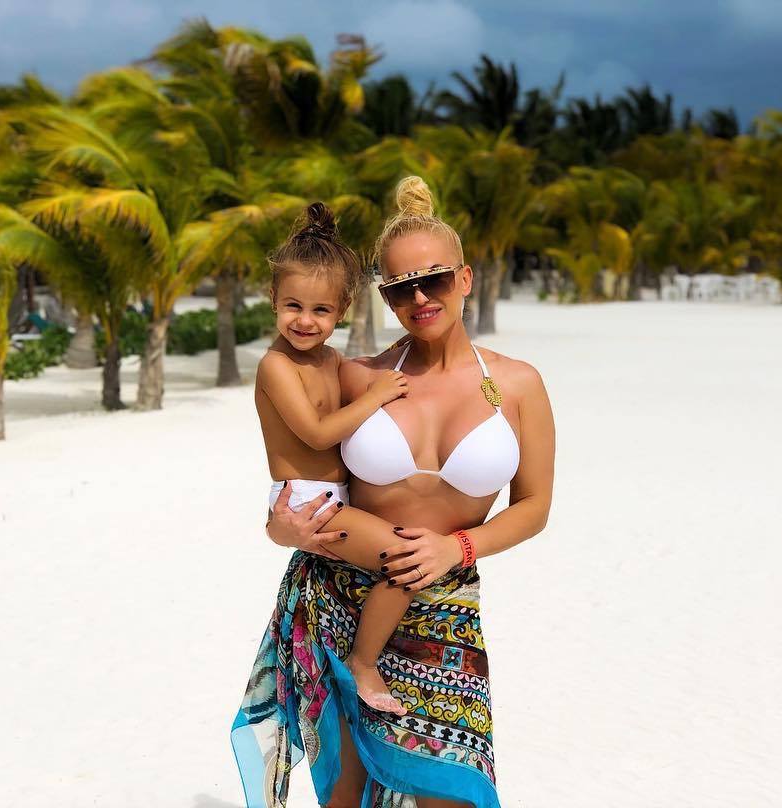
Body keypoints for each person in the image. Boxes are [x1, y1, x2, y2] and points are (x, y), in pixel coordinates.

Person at [232, 177, 555, 808]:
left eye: (434, 279)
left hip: (444, 605)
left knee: (449, 792)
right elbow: (306, 473)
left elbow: (535, 505)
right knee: (348, 793)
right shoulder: (360, 376)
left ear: (465, 278)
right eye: (401, 286)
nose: (420, 297)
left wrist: (458, 548)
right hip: (341, 595)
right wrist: (279, 528)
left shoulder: (519, 384)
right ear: (383, 297)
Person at [254, 201, 440, 714]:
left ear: (342, 311)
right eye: (293, 306)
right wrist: (375, 397)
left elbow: (373, 371)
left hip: (337, 499)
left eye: (321, 310)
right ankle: (363, 663)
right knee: (405, 560)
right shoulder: (275, 366)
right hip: (309, 500)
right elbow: (317, 435)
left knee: (398, 556)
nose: (305, 321)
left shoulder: (332, 360)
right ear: (272, 300)